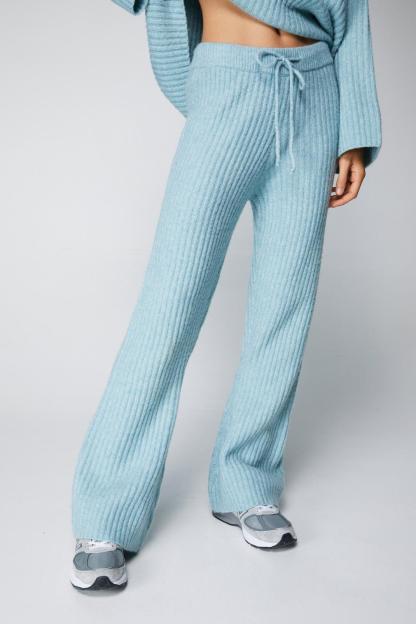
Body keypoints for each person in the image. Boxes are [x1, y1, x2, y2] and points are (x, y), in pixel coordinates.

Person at [70, 0, 382, 591]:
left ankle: (247, 480)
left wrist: (356, 133)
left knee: (285, 305)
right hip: (228, 81)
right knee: (169, 309)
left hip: (316, 88)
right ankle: (105, 513)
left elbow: (353, 11)